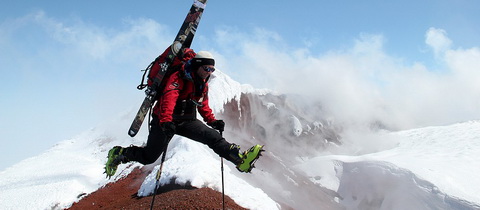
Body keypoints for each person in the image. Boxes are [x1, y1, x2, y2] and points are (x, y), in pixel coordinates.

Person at [104, 51, 263, 178]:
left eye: (212, 70)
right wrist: (166, 121)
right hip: (165, 121)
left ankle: (240, 160)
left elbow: (202, 103)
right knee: (149, 157)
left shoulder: (202, 83)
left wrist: (212, 121)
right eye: (206, 68)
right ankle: (119, 153)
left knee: (212, 137)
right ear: (197, 66)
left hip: (187, 120)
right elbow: (169, 98)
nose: (209, 72)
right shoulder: (179, 76)